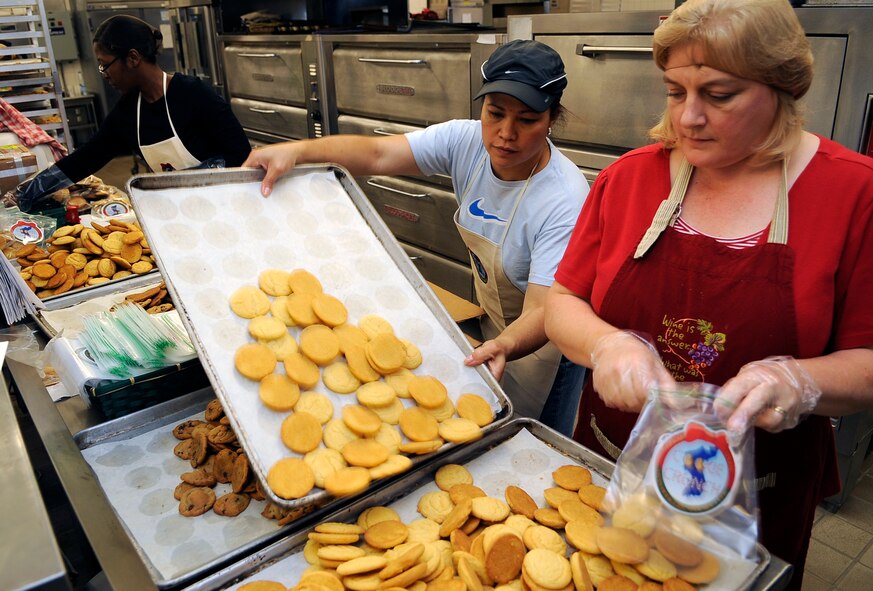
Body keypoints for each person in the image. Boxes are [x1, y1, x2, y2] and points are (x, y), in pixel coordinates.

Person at [544, 0, 873, 587]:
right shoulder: (629, 179)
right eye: (675, 91)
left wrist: (796, 380)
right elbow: (563, 303)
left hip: (756, 493)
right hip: (611, 465)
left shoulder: (852, 196)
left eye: (719, 95)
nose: (688, 118)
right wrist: (607, 345)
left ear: (782, 88)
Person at [244, 40, 590, 434]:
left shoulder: (563, 199)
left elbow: (544, 310)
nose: (505, 134)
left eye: (527, 120)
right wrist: (299, 152)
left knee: (530, 436)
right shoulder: (466, 142)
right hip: (497, 325)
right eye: (495, 114)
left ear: (551, 119)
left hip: (546, 342)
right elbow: (376, 154)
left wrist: (506, 345)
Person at [14, 15, 250, 212]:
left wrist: (178, 182)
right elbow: (86, 158)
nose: (104, 74)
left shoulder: (192, 94)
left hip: (227, 205)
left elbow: (239, 154)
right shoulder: (129, 111)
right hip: (179, 210)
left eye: (105, 64)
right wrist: (27, 193)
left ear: (133, 58)